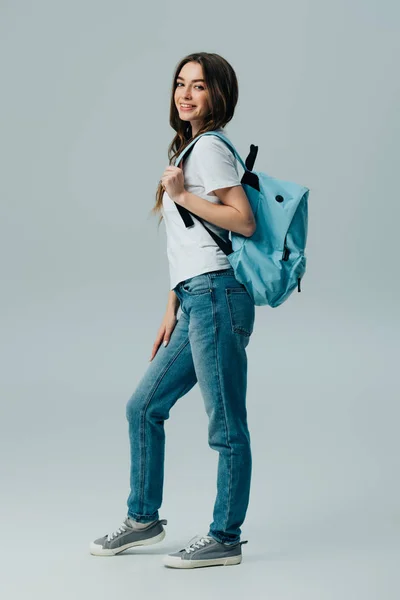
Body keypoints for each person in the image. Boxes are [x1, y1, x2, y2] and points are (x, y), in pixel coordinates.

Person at [89, 52, 256, 569]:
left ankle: (224, 536)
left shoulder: (209, 151)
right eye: (181, 84)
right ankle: (143, 519)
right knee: (143, 406)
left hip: (218, 296)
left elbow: (242, 222)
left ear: (218, 94)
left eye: (199, 86)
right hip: (195, 299)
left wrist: (182, 195)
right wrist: (171, 306)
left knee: (226, 426)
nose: (186, 94)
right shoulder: (189, 148)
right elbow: (187, 245)